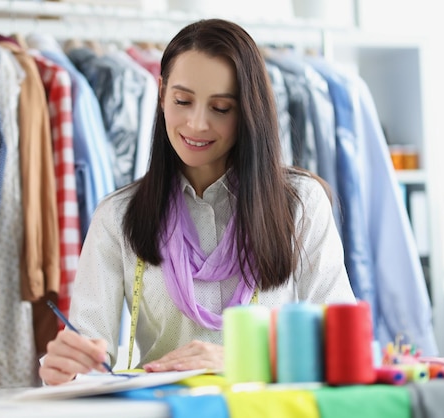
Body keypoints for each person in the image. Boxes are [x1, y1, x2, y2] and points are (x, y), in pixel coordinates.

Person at [39, 18, 355, 386]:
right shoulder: (118, 216)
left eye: (220, 108)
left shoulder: (301, 204)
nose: (197, 124)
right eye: (183, 101)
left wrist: (240, 359)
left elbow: (342, 343)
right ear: (161, 95)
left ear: (248, 110)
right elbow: (90, 356)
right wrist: (67, 368)